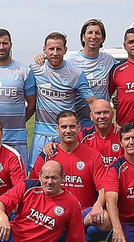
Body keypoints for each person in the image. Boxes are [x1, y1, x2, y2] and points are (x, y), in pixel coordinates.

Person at [42, 110, 118, 242]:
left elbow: (103, 187)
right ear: (57, 129)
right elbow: (35, 185)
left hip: (83, 213)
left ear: (79, 127)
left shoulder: (92, 155)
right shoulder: (49, 154)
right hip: (54, 214)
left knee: (106, 219)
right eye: (64, 127)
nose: (68, 131)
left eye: (72, 126)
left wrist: (98, 205)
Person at [28, 31, 96, 168]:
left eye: (58, 49)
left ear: (65, 50)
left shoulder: (76, 74)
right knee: (38, 177)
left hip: (65, 134)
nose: (54, 53)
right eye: (51, 49)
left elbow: (92, 102)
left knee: (66, 175)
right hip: (41, 134)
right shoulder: (35, 69)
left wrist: (106, 119)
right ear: (44, 50)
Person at [71, 19, 118, 102]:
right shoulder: (70, 60)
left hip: (101, 113)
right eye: (90, 33)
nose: (93, 36)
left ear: (102, 38)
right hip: (77, 113)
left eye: (97, 33)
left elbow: (123, 75)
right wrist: (41, 58)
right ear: (83, 37)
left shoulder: (109, 60)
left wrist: (119, 98)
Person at [81, 99, 124, 166]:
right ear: (91, 116)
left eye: (106, 112)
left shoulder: (123, 135)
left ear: (112, 114)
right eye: (98, 113)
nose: (102, 116)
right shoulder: (83, 135)